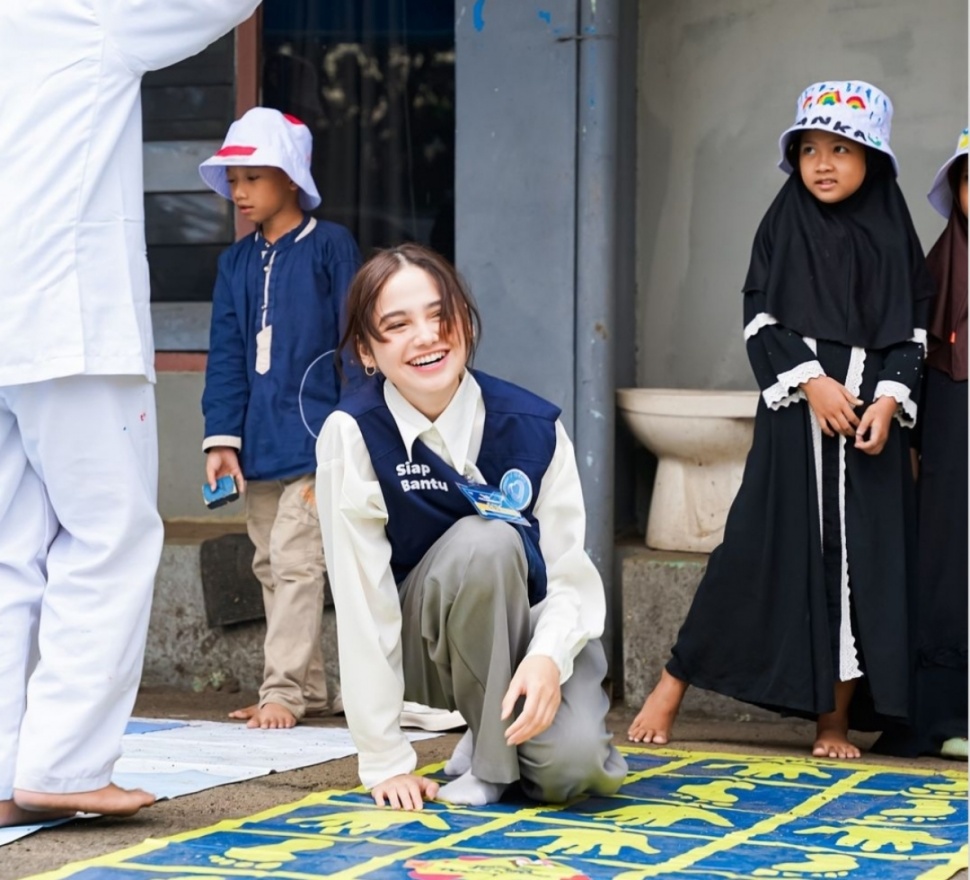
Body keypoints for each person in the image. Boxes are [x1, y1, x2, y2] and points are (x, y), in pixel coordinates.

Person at [0, 0, 262, 828]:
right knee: (110, 535)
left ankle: (9, 768)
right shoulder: (83, 12)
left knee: (8, 557)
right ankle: (66, 765)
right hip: (69, 313)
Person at [628, 80, 934, 760]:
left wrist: (886, 400)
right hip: (800, 427)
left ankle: (832, 722)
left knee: (860, 573)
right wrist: (815, 384)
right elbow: (762, 318)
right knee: (754, 553)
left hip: (871, 440)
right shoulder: (784, 224)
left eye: (841, 149)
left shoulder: (893, 235)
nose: (822, 163)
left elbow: (911, 333)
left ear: (874, 160)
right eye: (808, 149)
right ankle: (673, 681)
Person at [316, 244, 627, 809]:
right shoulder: (352, 433)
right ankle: (492, 763)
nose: (428, 336)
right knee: (489, 540)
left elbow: (568, 579)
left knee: (576, 770)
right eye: (398, 324)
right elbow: (363, 602)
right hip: (424, 651)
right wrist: (384, 760)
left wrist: (546, 657)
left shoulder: (534, 427)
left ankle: (484, 746)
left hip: (524, 637)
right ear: (365, 349)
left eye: (441, 315)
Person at [200, 108, 361, 730]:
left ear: (291, 178)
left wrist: (353, 435)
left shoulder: (331, 247)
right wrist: (222, 440)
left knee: (296, 564)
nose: (239, 193)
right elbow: (226, 356)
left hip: (319, 442)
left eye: (253, 178)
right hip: (259, 446)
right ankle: (312, 689)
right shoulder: (235, 265)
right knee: (271, 564)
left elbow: (355, 344)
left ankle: (284, 691)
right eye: (233, 180)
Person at [875, 129, 968, 760]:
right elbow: (914, 357)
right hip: (952, 440)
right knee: (947, 564)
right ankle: (945, 716)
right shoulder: (940, 267)